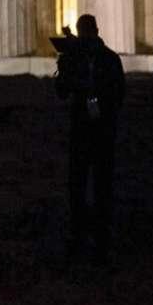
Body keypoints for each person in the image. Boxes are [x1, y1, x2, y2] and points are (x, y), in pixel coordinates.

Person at [55, 14, 126, 264]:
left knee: (84, 184)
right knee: (95, 184)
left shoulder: (99, 59)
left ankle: (86, 237)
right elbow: (119, 93)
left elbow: (62, 91)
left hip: (88, 129)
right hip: (96, 129)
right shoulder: (106, 58)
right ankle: (95, 237)